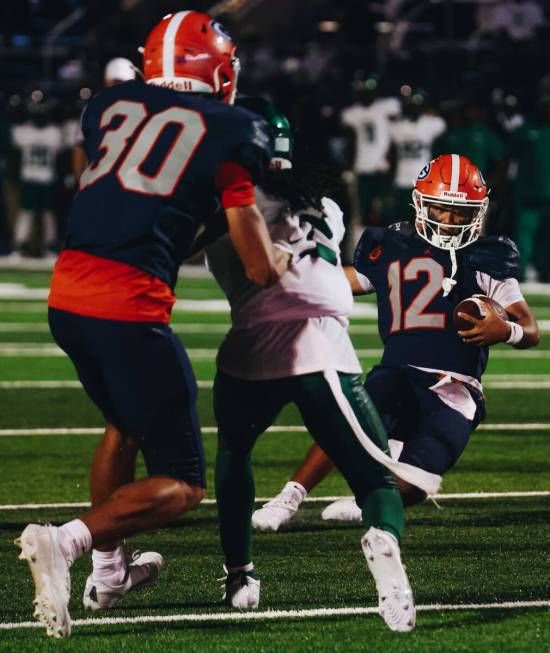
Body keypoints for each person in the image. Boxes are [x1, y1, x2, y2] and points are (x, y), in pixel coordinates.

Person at [15, 11, 288, 639]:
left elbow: (148, 211)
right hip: (127, 308)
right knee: (186, 483)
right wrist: (282, 255)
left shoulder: (111, 105)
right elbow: (257, 267)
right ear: (217, 70)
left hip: (68, 296)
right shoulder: (235, 127)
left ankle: (110, 572)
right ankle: (68, 542)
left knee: (124, 424)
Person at [204, 97, 442, 634]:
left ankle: (240, 577)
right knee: (376, 478)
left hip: (252, 344)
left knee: (234, 451)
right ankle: (383, 542)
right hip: (322, 345)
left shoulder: (223, 197)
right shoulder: (325, 204)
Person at [252, 153, 539, 526]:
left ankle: (371, 497)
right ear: (421, 203)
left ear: (478, 214)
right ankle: (289, 497)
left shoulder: (487, 260)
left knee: (417, 482)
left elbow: (530, 329)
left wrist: (509, 330)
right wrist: (296, 272)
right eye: (441, 209)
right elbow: (343, 281)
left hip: (455, 389)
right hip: (397, 375)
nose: (449, 221)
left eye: (460, 213)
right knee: (347, 423)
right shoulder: (391, 246)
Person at [72, 57, 137, 183]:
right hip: (114, 181)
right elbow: (80, 148)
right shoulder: (93, 108)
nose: (117, 87)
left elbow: (79, 148)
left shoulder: (93, 107)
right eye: (115, 82)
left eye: (120, 82)